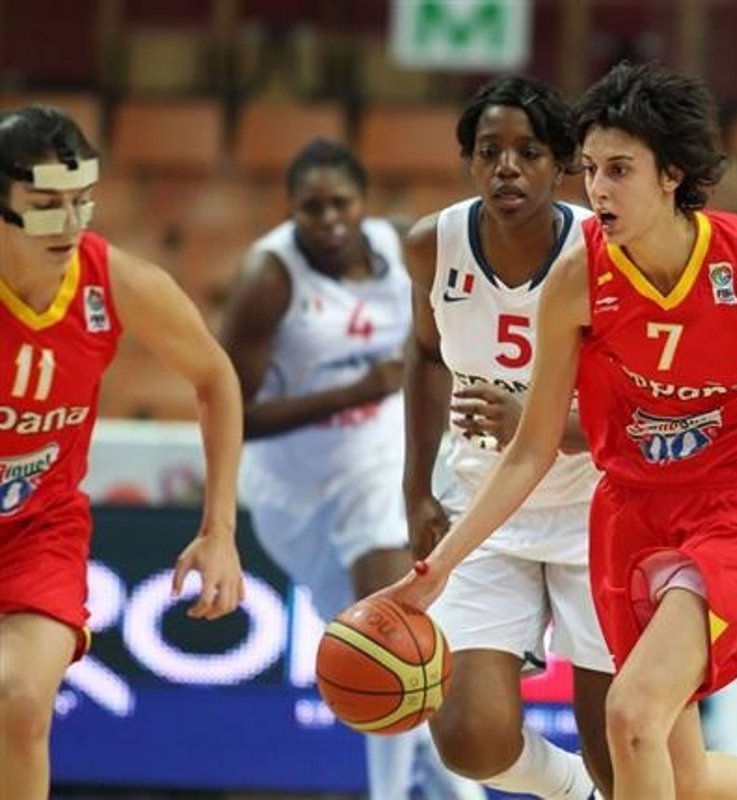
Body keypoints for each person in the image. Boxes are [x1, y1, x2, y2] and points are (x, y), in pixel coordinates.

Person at [387, 61, 737, 800]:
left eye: (620, 169)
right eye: (592, 169)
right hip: (631, 513)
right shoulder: (578, 280)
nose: (598, 188)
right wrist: (441, 565)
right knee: (676, 774)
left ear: (671, 175)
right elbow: (530, 450)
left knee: (630, 718)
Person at [219, 139, 478, 800]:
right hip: (292, 488)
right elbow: (232, 415)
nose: (329, 220)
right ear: (291, 209)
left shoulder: (403, 248)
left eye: (341, 204)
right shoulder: (268, 278)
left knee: (394, 640)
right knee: (376, 659)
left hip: (380, 458)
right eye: (313, 208)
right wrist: (355, 391)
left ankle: (403, 794)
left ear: (365, 202)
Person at [0, 105, 245, 800]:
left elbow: (215, 377)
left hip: (40, 531)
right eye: (45, 205)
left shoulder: (117, 282)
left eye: (82, 201)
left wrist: (219, 530)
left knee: (21, 702)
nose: (69, 223)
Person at [402, 75, 614, 800]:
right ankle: (573, 788)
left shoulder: (605, 250)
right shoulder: (433, 244)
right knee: (469, 738)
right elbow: (425, 356)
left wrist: (537, 423)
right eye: (489, 151)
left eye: (528, 152)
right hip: (485, 508)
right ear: (469, 161)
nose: (507, 168)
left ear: (562, 165)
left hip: (596, 511)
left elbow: (642, 409)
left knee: (624, 749)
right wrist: (415, 490)